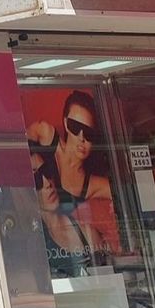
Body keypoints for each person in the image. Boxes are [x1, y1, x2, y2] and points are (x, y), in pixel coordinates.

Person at [28, 90, 117, 262]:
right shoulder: (47, 136)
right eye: (76, 127)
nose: (82, 138)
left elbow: (126, 194)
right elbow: (14, 145)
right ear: (66, 124)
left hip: (70, 239)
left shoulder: (91, 185)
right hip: (42, 232)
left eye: (89, 133)